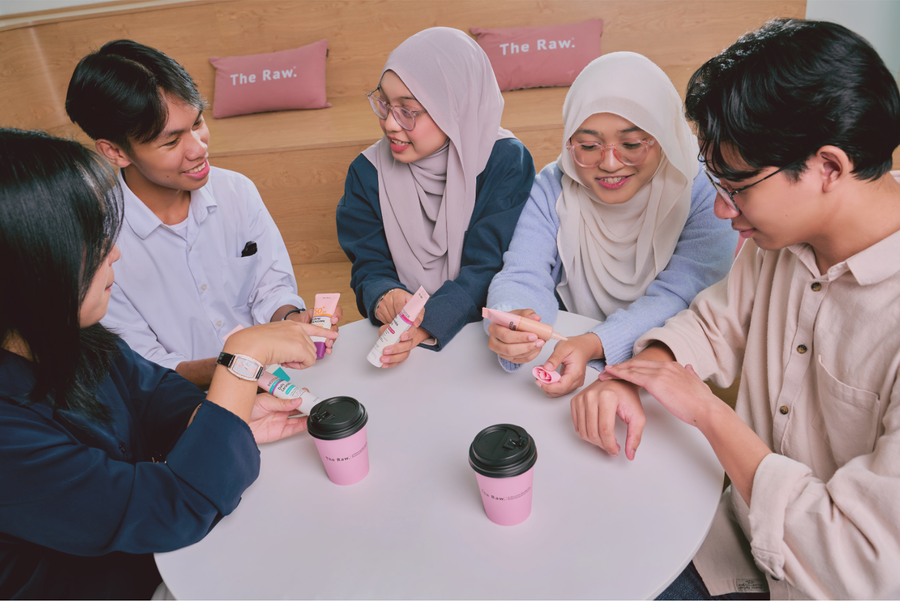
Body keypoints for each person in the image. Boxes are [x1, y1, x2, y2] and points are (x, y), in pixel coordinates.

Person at [569, 20, 900, 599]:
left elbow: (863, 563)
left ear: (828, 166)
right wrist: (640, 371)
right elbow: (711, 323)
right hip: (732, 544)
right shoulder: (780, 240)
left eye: (738, 185)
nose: (723, 211)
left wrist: (709, 413)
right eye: (714, 181)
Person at [0, 128, 338, 599]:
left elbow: (155, 393)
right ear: (28, 267)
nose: (113, 251)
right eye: (90, 243)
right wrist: (242, 360)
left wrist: (219, 418)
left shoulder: (74, 337)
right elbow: (169, 508)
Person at [65, 39, 339, 390]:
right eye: (171, 141)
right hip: (181, 405)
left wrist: (292, 319)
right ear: (115, 151)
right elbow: (144, 368)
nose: (199, 148)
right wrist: (240, 362)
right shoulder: (99, 246)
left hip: (273, 377)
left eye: (198, 123)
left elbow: (270, 287)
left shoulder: (235, 191)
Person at [485, 52, 736, 398]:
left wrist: (597, 343)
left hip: (669, 372)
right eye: (588, 145)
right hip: (567, 360)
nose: (610, 163)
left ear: (664, 135)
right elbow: (523, 272)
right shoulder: (555, 185)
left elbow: (683, 296)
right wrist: (512, 318)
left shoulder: (703, 189)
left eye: (632, 144)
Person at [336, 27, 535, 367]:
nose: (390, 125)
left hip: (489, 341)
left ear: (454, 109)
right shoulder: (366, 172)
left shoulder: (504, 161)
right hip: (402, 341)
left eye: (408, 111)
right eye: (384, 103)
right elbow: (368, 265)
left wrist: (431, 320)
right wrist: (384, 294)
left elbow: (492, 265)